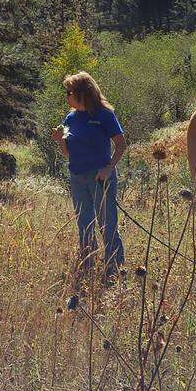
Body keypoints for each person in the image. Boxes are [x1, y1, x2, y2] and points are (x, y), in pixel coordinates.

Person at [51, 71, 128, 280]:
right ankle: (88, 267)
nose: (66, 96)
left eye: (69, 92)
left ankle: (114, 270)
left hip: (100, 177)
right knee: (84, 224)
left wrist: (109, 167)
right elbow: (69, 152)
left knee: (107, 224)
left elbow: (121, 144)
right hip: (77, 176)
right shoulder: (71, 117)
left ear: (83, 93)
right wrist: (60, 139)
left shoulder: (104, 115)